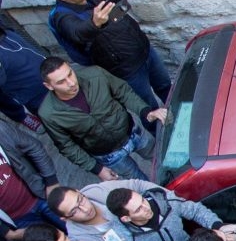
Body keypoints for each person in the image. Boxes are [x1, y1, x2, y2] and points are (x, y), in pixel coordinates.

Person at [44, 0, 170, 108]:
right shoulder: (62, 16)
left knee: (166, 88)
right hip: (127, 70)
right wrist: (94, 24)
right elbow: (77, 33)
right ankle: (160, 129)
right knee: (148, 107)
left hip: (145, 51)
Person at [37, 57, 166, 181]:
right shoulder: (49, 114)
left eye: (70, 74)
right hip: (108, 155)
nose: (71, 83)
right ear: (49, 86)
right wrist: (97, 169)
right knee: (140, 182)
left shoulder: (95, 74)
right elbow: (67, 146)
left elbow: (123, 92)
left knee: (163, 160)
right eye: (61, 82)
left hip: (133, 132)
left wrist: (145, 111)